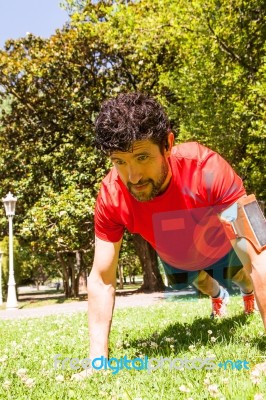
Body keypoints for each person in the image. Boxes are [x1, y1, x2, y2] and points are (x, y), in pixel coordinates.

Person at [87, 92, 266, 366]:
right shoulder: (111, 195)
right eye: (119, 161)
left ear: (168, 144)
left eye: (143, 156)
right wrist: (97, 363)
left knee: (243, 275)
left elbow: (259, 251)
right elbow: (102, 279)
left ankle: (247, 294)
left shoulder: (208, 169)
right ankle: (219, 296)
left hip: (220, 248)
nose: (133, 177)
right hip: (177, 256)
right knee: (203, 283)